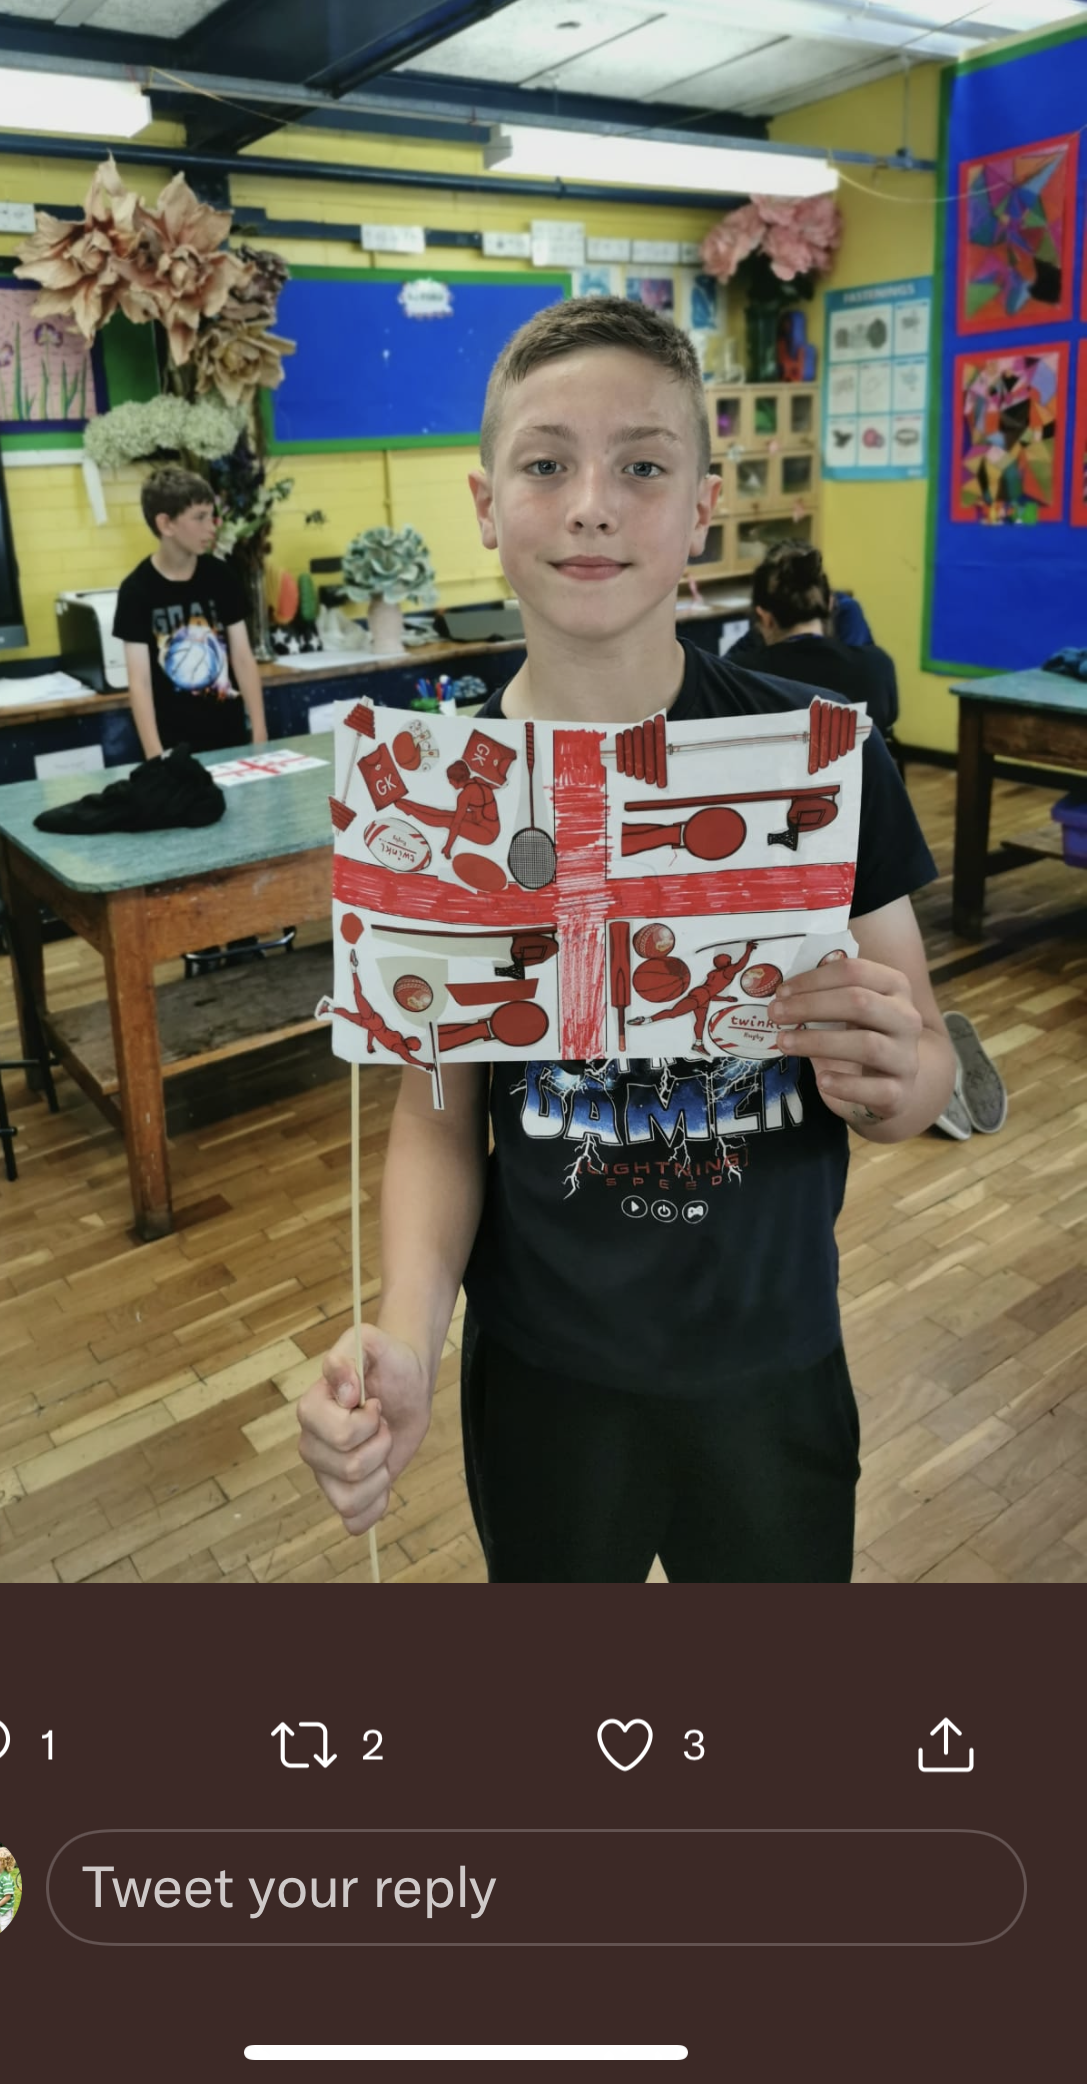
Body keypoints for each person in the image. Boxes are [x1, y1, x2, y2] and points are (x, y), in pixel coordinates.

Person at [296, 297, 957, 1583]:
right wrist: (408, 1334)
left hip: (774, 1361)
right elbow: (438, 1118)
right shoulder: (437, 798)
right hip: (548, 1377)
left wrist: (899, 1079)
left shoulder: (821, 763)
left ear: (699, 509)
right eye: (547, 464)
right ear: (487, 505)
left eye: (642, 466)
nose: (593, 503)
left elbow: (921, 1055)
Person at [113, 467, 268, 762]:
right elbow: (140, 682)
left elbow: (243, 658)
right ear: (166, 524)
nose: (212, 527)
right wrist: (154, 756)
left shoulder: (221, 577)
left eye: (212, 515)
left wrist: (259, 733)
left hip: (231, 739)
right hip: (175, 748)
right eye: (199, 517)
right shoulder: (136, 591)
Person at [727, 543, 899, 741]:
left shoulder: (740, 676)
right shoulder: (877, 666)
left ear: (764, 617)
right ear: (831, 603)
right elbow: (885, 726)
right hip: (859, 773)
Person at [0, 1846, 19, 1932]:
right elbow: (2, 1892)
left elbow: (8, 1896)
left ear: (4, 1863)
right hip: (1, 1910)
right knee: (0, 1926)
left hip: (6, 1910)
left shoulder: (6, 1879)